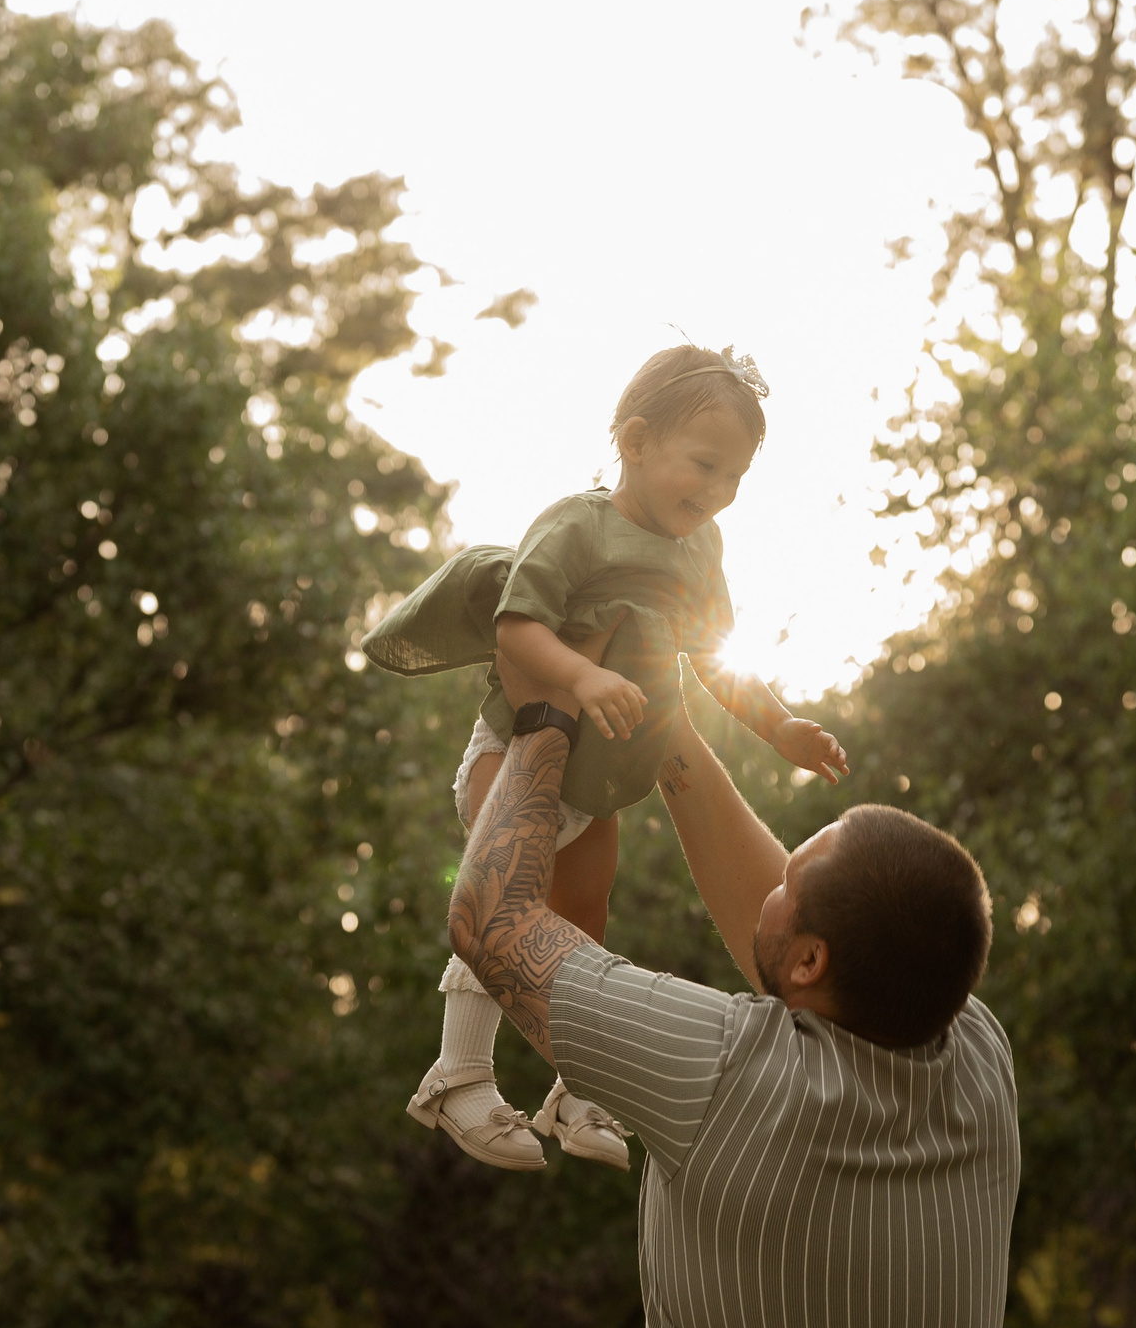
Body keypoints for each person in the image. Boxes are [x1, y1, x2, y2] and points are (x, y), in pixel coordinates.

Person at [449, 689, 1027, 1328]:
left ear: (808, 959)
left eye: (791, 879)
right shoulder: (976, 1054)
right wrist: (660, 720)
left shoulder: (725, 1076)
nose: (774, 882)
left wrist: (546, 710)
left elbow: (492, 924)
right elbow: (811, 941)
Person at [363, 343, 848, 1172]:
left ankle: (575, 1085)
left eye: (735, 478)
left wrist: (781, 727)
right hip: (516, 752)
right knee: (505, 904)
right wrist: (582, 675)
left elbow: (716, 655)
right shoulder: (578, 525)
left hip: (606, 777)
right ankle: (459, 1072)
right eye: (704, 465)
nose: (717, 492)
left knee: (580, 924)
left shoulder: (701, 550)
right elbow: (516, 625)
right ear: (633, 440)